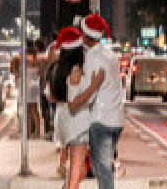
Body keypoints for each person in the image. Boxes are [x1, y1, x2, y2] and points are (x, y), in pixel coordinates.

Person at [69, 14, 125, 189]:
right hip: (116, 120)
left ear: (85, 36)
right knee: (104, 167)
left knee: (102, 171)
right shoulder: (110, 55)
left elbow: (90, 95)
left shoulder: (92, 59)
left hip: (101, 120)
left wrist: (74, 99)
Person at [51, 26, 90, 188]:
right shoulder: (77, 72)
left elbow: (51, 97)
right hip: (77, 123)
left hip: (63, 120)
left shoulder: (57, 70)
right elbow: (79, 100)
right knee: (76, 170)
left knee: (79, 169)